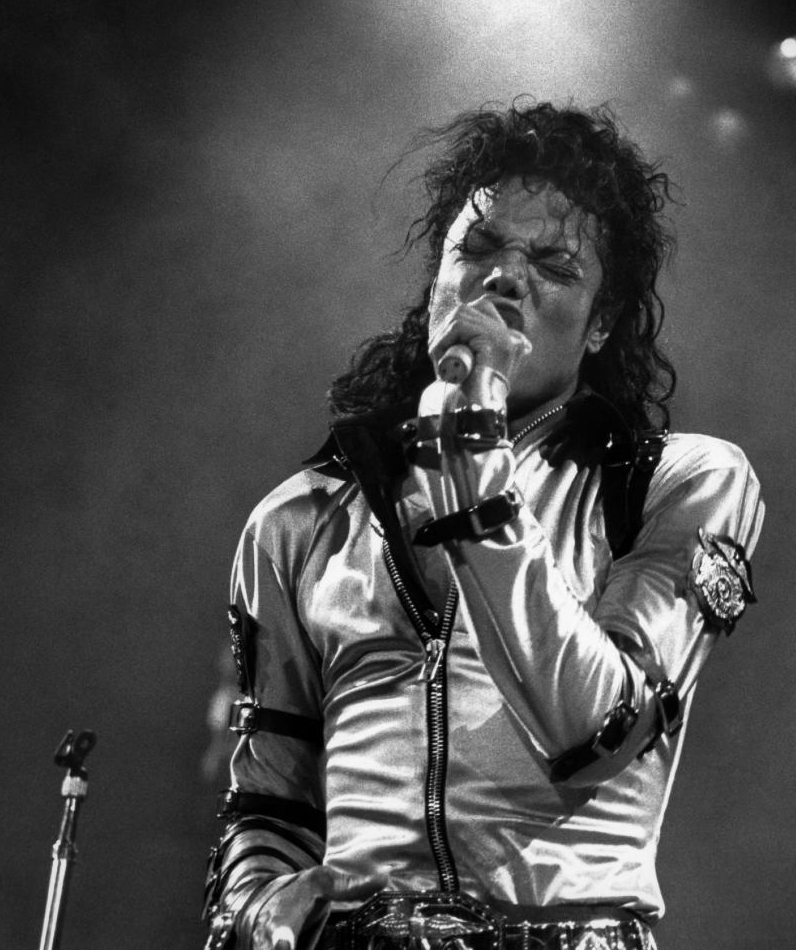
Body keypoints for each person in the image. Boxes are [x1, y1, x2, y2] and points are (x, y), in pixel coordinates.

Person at [202, 101, 765, 950]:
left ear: (603, 321)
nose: (506, 278)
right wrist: (259, 905)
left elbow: (596, 728)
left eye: (553, 264)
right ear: (437, 278)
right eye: (479, 248)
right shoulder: (296, 520)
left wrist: (475, 455)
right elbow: (268, 802)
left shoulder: (679, 483)